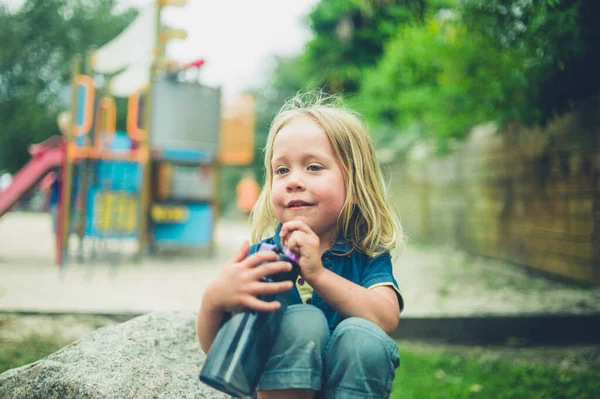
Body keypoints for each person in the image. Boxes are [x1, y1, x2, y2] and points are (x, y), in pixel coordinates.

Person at [196, 92, 404, 399]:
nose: (293, 180)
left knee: (364, 339)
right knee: (302, 322)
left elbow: (385, 319)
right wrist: (214, 299)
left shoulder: (366, 254)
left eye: (314, 167)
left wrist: (318, 274)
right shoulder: (263, 259)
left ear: (356, 185)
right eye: (282, 170)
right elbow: (220, 349)